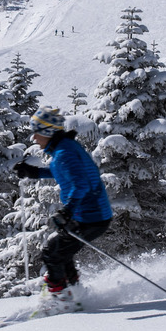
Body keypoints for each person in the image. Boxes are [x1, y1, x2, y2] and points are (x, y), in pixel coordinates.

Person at [13, 107, 112, 314]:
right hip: (90, 215)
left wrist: (67, 211)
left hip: (91, 217)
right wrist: (36, 172)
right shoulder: (63, 149)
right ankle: (73, 295)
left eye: (37, 131)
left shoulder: (64, 151)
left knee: (53, 253)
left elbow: (80, 184)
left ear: (48, 132)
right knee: (60, 252)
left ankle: (61, 301)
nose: (34, 137)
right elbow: (64, 172)